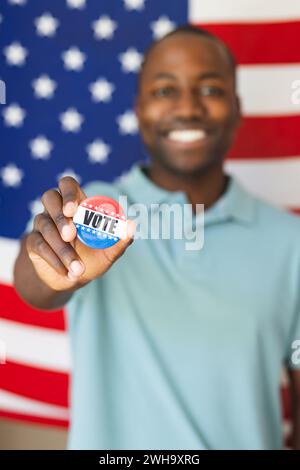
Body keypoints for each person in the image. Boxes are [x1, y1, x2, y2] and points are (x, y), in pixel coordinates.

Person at [14, 25, 300, 450]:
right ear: (139, 109)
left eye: (210, 89)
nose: (187, 108)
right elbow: (34, 284)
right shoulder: (93, 212)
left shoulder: (289, 241)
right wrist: (55, 271)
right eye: (165, 90)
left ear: (237, 109)